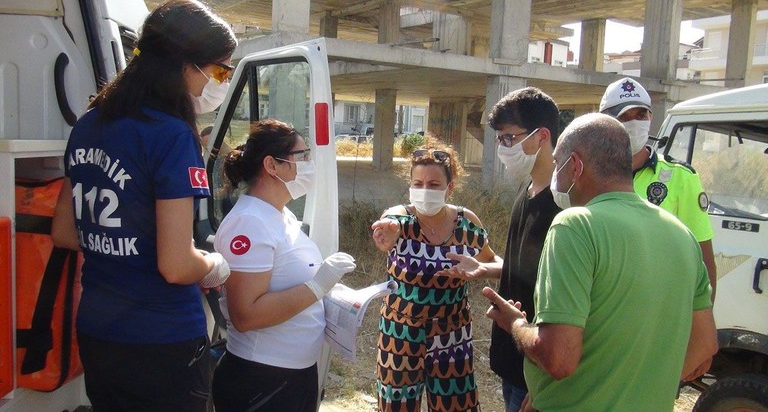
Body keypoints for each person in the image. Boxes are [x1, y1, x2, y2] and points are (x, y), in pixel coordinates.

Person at [51, 0, 236, 412]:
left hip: (99, 333)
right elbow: (174, 265)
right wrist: (213, 264)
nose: (222, 81)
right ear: (187, 65)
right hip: (161, 340)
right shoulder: (171, 134)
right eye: (222, 70)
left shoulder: (88, 124)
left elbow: (64, 232)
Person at [484, 113, 718, 411]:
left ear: (576, 166)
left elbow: (559, 359)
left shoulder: (575, 225)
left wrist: (515, 324)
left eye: (558, 163)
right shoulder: (681, 234)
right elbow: (705, 344)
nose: (556, 173)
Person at [211, 119, 356, 412]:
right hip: (262, 379)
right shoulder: (249, 222)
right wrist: (317, 286)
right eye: (302, 156)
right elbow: (245, 315)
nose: (309, 164)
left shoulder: (280, 214)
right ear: (272, 165)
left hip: (292, 376)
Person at [440, 87, 562, 412]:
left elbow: (572, 300)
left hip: (539, 368)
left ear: (542, 136)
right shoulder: (528, 190)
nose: (503, 149)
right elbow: (530, 267)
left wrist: (543, 387)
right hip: (514, 359)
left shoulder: (565, 206)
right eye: (499, 140)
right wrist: (485, 268)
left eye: (509, 138)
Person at [370, 141, 498, 412]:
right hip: (400, 333)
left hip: (452, 334)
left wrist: (482, 269)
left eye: (434, 185)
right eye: (417, 184)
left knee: (456, 406)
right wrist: (388, 231)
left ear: (449, 188)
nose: (424, 191)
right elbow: (390, 222)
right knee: (397, 407)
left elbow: (494, 262)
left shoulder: (467, 224)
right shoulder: (400, 220)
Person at [600, 76, 717, 302]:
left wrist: (701, 325)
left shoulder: (681, 177)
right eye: (624, 117)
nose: (634, 123)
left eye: (641, 115)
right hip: (605, 305)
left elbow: (703, 261)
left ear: (651, 117)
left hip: (660, 306)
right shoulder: (589, 174)